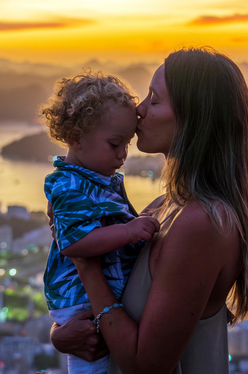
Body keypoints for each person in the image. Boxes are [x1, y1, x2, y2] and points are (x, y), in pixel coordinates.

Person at [50, 48, 248, 374]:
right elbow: (117, 309)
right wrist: (61, 334)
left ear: (194, 119)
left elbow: (146, 366)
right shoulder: (165, 207)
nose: (138, 109)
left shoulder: (202, 223)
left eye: (154, 99)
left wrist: (85, 264)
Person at [40, 73, 161, 374]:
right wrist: (129, 230)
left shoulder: (93, 179)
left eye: (126, 144)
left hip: (90, 300)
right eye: (114, 144)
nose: (122, 155)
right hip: (81, 304)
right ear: (76, 138)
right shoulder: (68, 185)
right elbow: (74, 244)